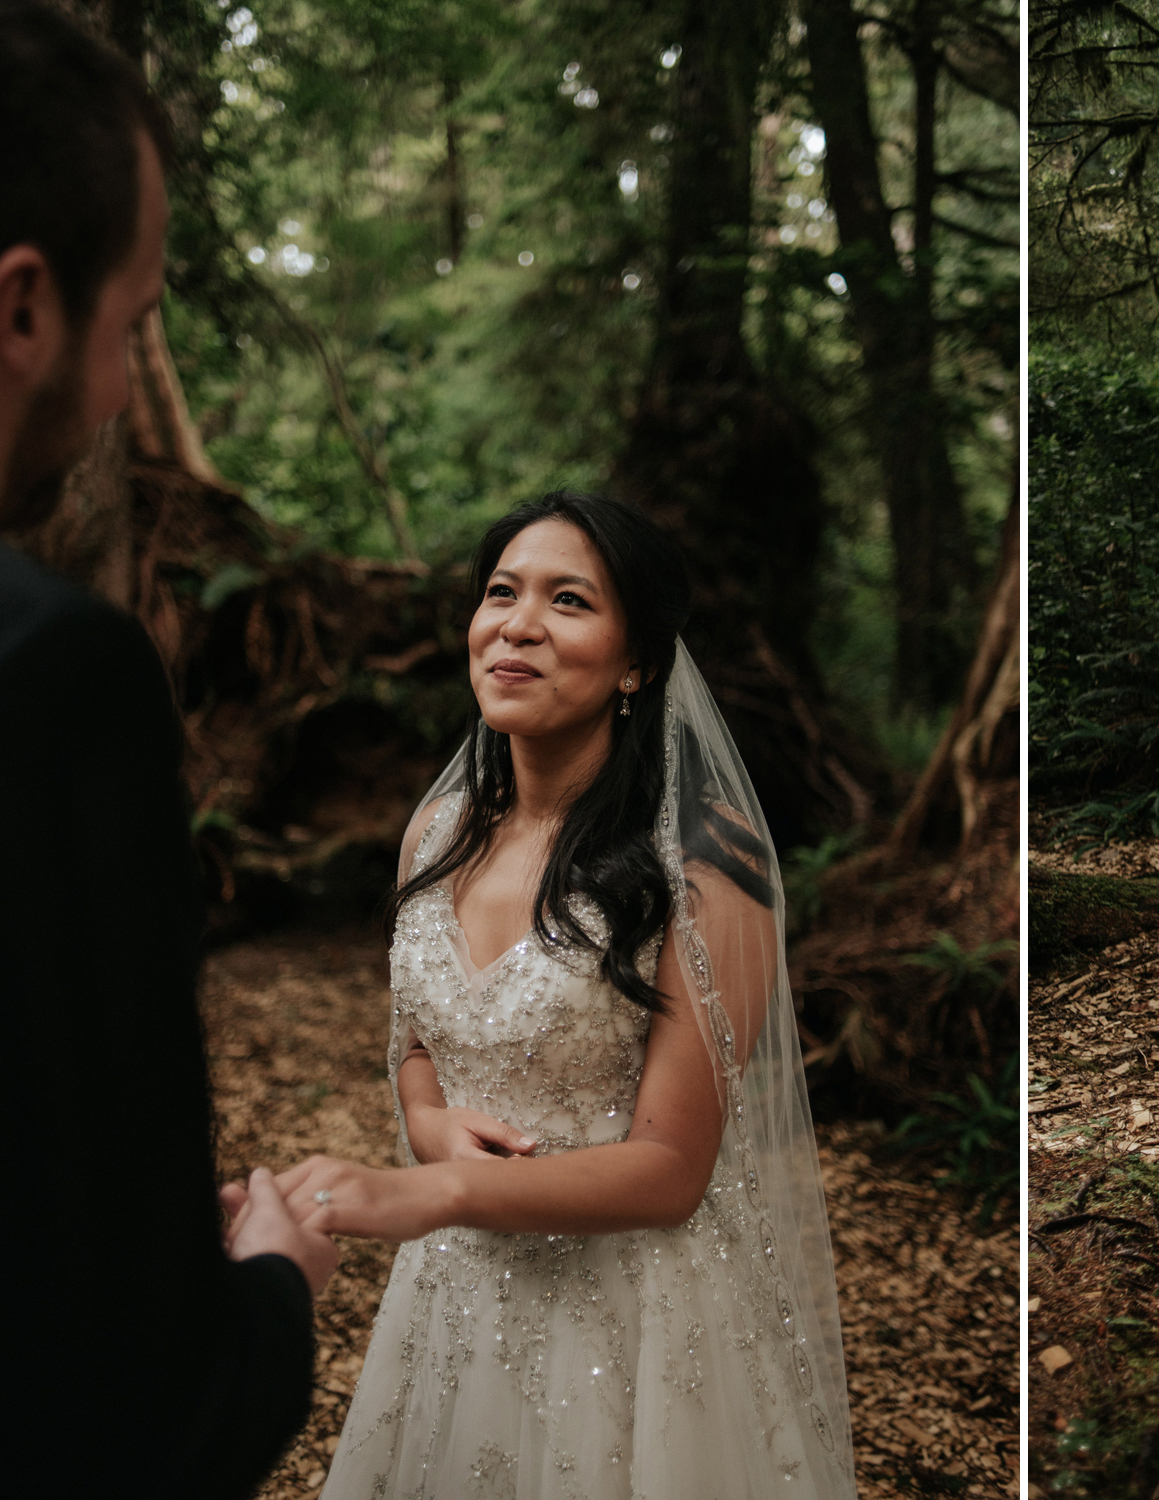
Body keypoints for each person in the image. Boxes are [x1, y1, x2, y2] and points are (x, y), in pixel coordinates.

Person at [236, 491, 855, 1498]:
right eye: (500, 593)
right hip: (456, 1292)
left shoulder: (700, 872)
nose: (517, 623)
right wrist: (429, 1125)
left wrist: (432, 1190)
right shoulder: (435, 835)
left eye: (568, 600)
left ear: (637, 662)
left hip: (629, 1322)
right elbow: (419, 1043)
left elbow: (669, 1169)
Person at [0, 3, 337, 1496]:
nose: (131, 388)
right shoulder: (52, 673)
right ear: (23, 307)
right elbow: (140, 1407)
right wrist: (270, 1286)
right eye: (131, 324)